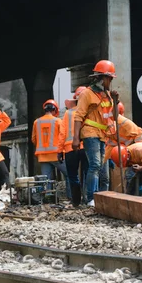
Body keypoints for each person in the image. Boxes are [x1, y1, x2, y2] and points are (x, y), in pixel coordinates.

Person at [73, 60, 117, 207]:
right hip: (90, 133)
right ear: (102, 78)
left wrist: (115, 102)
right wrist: (75, 138)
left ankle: (98, 197)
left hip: (102, 135)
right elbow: (78, 117)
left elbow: (114, 117)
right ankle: (91, 198)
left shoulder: (108, 95)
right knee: (95, 165)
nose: (110, 81)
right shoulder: (87, 94)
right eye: (109, 78)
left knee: (100, 168)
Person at [32, 99, 69, 199]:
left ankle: (48, 197)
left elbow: (34, 139)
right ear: (54, 110)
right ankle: (70, 197)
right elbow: (62, 137)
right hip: (56, 155)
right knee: (69, 175)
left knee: (46, 179)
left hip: (43, 156)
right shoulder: (57, 121)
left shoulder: (36, 122)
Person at [59, 87, 89, 207]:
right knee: (88, 173)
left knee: (73, 175)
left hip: (70, 149)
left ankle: (76, 201)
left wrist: (59, 150)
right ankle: (88, 199)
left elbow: (62, 133)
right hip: (86, 147)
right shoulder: (89, 111)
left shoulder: (68, 113)